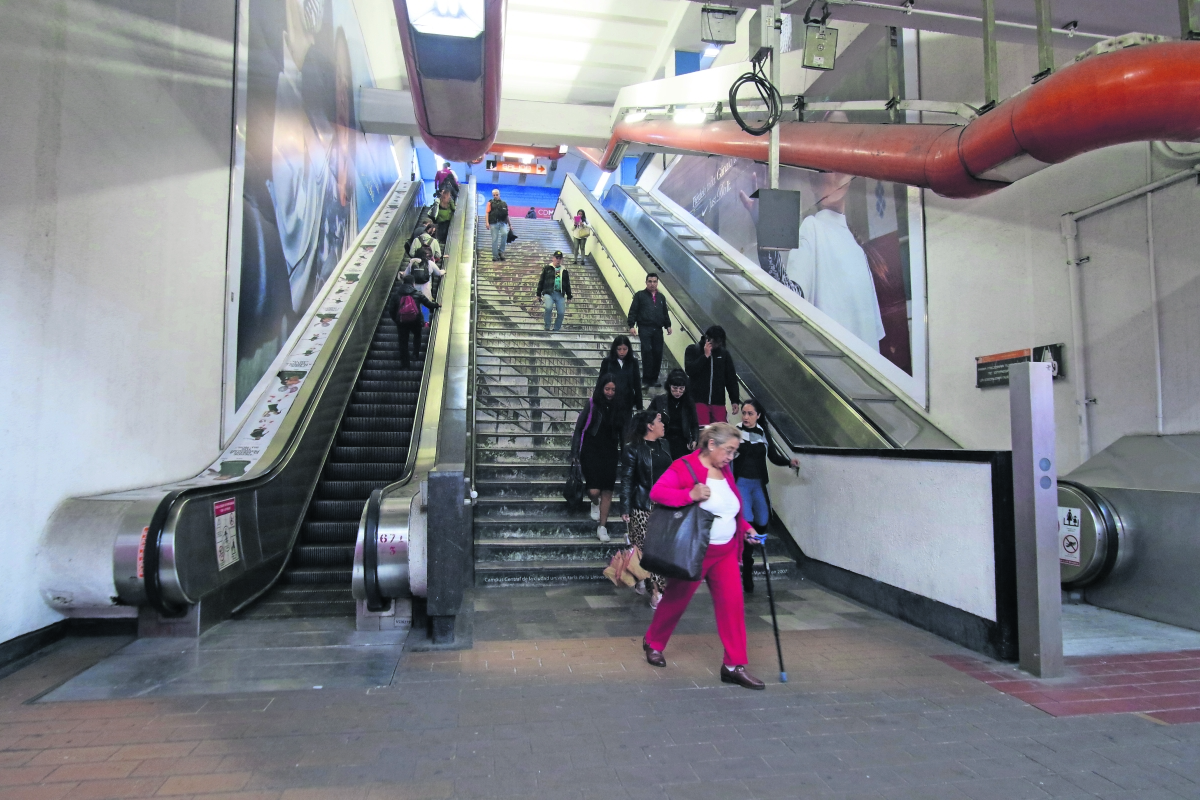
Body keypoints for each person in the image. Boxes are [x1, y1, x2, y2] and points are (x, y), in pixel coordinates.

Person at [642, 423, 764, 690]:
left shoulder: (725, 470)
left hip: (725, 552)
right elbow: (657, 493)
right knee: (676, 600)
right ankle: (654, 642)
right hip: (695, 551)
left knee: (733, 605)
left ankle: (733, 666)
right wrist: (690, 494)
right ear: (711, 444)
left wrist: (745, 528)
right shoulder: (685, 466)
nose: (731, 457)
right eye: (728, 450)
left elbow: (729, 507)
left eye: (734, 452)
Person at [785, 169, 885, 352]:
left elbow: (871, 332)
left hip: (860, 366)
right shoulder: (812, 227)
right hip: (836, 365)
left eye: (840, 168)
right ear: (813, 183)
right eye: (826, 170)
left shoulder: (857, 249)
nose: (836, 175)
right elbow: (791, 300)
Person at [734, 399, 798, 593]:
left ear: (758, 415)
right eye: (744, 413)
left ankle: (751, 551)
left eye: (750, 413)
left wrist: (789, 462)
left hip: (759, 484)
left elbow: (772, 456)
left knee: (762, 521)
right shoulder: (735, 432)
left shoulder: (762, 433)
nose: (746, 417)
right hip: (741, 483)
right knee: (748, 522)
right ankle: (747, 569)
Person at [621, 409, 673, 608]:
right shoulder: (633, 449)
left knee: (660, 550)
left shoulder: (665, 445)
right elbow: (627, 479)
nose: (663, 424)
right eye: (659, 421)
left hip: (665, 504)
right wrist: (625, 507)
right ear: (650, 426)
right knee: (648, 550)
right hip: (643, 505)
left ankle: (645, 579)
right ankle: (657, 592)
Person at [572, 374, 627, 543]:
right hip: (591, 450)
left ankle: (602, 527)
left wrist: (625, 453)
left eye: (613, 390)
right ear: (601, 388)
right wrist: (575, 452)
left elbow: (624, 433)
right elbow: (579, 428)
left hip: (610, 452)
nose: (610, 393)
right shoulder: (592, 404)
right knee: (593, 491)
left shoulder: (620, 407)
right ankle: (594, 502)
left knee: (608, 491)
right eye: (607, 389)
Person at [684, 325, 740, 425]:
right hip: (698, 399)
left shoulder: (724, 354)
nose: (718, 345)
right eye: (716, 342)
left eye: (720, 342)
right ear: (708, 339)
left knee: (720, 430)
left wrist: (734, 399)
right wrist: (705, 356)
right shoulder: (693, 349)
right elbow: (690, 370)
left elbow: (731, 378)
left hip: (718, 401)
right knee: (703, 429)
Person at [627, 272, 673, 388]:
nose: (652, 284)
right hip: (645, 328)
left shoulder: (661, 297)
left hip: (658, 329)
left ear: (657, 283)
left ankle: (654, 379)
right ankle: (646, 380)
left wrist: (668, 325)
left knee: (658, 353)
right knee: (647, 352)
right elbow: (633, 311)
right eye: (650, 281)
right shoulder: (639, 295)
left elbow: (664, 313)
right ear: (646, 282)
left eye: (654, 282)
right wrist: (631, 325)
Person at [388, 274, 440, 369]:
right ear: (413, 283)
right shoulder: (417, 293)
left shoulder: (396, 295)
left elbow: (391, 310)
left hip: (402, 322)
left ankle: (405, 364)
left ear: (403, 282)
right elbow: (428, 304)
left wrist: (397, 320)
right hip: (415, 320)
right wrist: (436, 305)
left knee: (403, 342)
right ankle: (415, 354)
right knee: (417, 336)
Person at [649, 369, 699, 460]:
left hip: (683, 440)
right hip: (663, 439)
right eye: (675, 388)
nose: (678, 392)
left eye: (681, 389)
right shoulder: (659, 401)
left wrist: (695, 440)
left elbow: (694, 424)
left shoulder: (689, 403)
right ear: (669, 386)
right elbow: (647, 418)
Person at [597, 335, 643, 419]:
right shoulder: (607, 361)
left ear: (629, 349)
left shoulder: (633, 362)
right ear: (615, 349)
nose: (622, 352)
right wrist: (596, 400)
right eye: (619, 349)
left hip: (627, 402)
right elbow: (600, 382)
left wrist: (639, 406)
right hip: (610, 401)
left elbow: (637, 384)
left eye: (625, 349)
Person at [536, 251, 572, 332]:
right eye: (556, 258)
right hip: (549, 292)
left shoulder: (564, 270)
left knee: (561, 312)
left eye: (560, 258)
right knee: (548, 308)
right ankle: (547, 326)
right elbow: (541, 281)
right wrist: (538, 294)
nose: (558, 260)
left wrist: (569, 296)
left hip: (560, 294)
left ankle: (556, 328)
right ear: (553, 258)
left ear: (562, 259)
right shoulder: (547, 268)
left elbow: (567, 284)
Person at [487, 188, 510, 261]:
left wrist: (510, 224)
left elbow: (506, 215)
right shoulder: (490, 203)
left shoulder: (504, 203)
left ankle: (501, 251)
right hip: (493, 223)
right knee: (494, 239)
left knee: (505, 234)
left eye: (497, 195)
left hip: (503, 222)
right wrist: (487, 222)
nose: (495, 196)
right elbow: (487, 213)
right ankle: (495, 255)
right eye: (494, 195)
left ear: (499, 194)